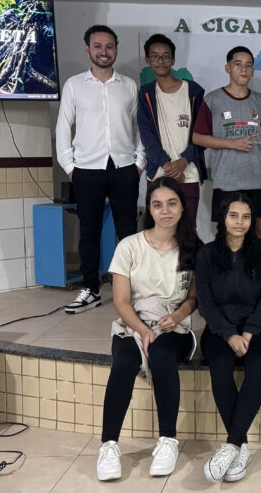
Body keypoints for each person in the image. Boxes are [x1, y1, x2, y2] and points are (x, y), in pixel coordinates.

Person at [96, 177, 200, 481]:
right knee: (126, 360)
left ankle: (168, 441)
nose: (165, 211)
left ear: (182, 207)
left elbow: (193, 299)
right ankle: (108, 446)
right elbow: (121, 301)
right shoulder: (129, 246)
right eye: (157, 205)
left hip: (175, 327)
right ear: (149, 209)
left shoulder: (194, 248)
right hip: (132, 323)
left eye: (171, 204)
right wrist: (142, 330)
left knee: (162, 354)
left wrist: (177, 316)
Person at [56, 25, 145, 314]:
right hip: (86, 169)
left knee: (128, 231)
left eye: (109, 46)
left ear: (116, 49)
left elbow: (138, 129)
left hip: (124, 168)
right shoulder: (74, 85)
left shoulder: (129, 86)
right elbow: (63, 127)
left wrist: (139, 164)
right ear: (88, 50)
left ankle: (133, 289)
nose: (104, 52)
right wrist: (70, 167)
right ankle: (91, 289)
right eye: (98, 46)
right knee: (89, 232)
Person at [196, 193, 261, 483]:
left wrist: (248, 331)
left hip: (260, 329)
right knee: (220, 369)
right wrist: (229, 334)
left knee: (257, 368)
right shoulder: (207, 254)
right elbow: (205, 302)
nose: (240, 222)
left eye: (246, 217)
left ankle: (231, 446)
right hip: (219, 329)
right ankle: (240, 447)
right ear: (223, 218)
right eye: (234, 215)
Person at [192, 46, 261, 240]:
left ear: (252, 71)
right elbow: (197, 137)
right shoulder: (212, 99)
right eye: (238, 64)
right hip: (228, 180)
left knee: (260, 229)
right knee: (229, 232)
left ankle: (259, 262)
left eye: (248, 65)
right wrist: (233, 144)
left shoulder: (260, 100)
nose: (244, 69)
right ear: (227, 68)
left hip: (259, 179)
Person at [137, 34, 207, 222]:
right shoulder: (145, 94)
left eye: (166, 56)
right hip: (159, 173)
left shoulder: (194, 91)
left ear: (173, 60)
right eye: (155, 56)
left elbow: (203, 133)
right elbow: (147, 136)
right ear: (147, 60)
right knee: (158, 229)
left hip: (188, 173)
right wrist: (168, 166)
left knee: (187, 229)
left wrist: (184, 161)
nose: (161, 61)